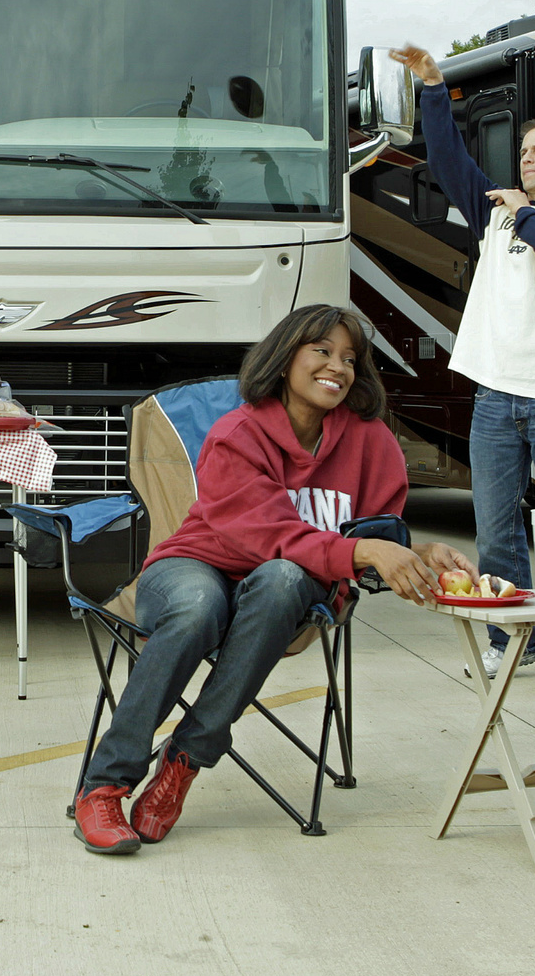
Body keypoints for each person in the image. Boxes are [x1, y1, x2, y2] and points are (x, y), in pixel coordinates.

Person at [72, 303, 476, 855]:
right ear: (285, 356)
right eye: (323, 351)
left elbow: (371, 537)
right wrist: (364, 549)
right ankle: (104, 787)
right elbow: (262, 535)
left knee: (283, 578)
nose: (338, 367)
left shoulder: (371, 442)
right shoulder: (237, 434)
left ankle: (184, 761)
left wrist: (421, 552)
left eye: (350, 359)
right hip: (196, 565)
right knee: (197, 606)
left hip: (287, 596)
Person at [388, 45, 535, 694]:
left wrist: (521, 208)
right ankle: (515, 639)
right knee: (496, 534)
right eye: (522, 149)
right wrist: (433, 89)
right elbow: (448, 159)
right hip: (494, 395)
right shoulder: (494, 211)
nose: (526, 157)